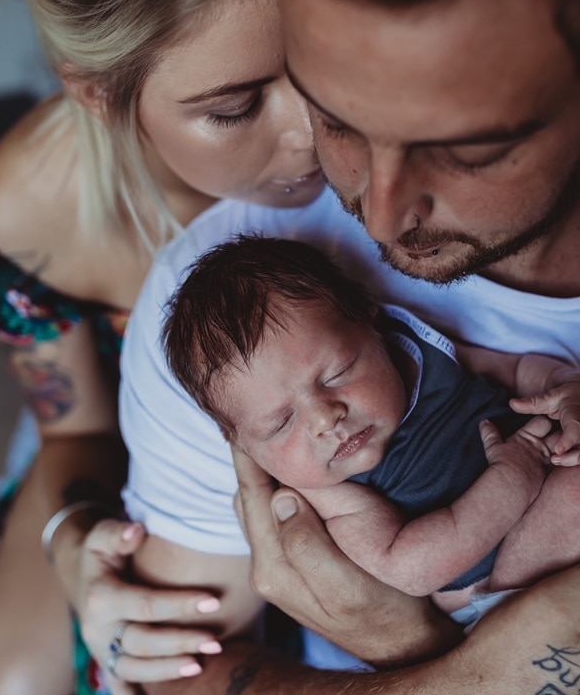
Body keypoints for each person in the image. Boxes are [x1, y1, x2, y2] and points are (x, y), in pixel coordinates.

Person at [118, 0, 580, 695]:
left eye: (468, 149)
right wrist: (449, 688)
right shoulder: (241, 314)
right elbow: (175, 672)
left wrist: (413, 648)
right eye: (334, 117)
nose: (378, 219)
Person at [0, 0, 327, 695]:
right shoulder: (22, 214)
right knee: (10, 686)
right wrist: (72, 546)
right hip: (119, 441)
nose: (309, 134)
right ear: (99, 94)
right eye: (235, 107)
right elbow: (73, 425)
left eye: (315, 73)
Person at [163, 234, 580, 624]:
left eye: (338, 373)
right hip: (493, 592)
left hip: (550, 472)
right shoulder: (327, 494)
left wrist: (561, 390)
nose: (326, 419)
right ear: (240, 445)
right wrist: (512, 480)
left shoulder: (418, 352)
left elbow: (517, 369)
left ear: (371, 322)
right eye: (281, 422)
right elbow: (410, 569)